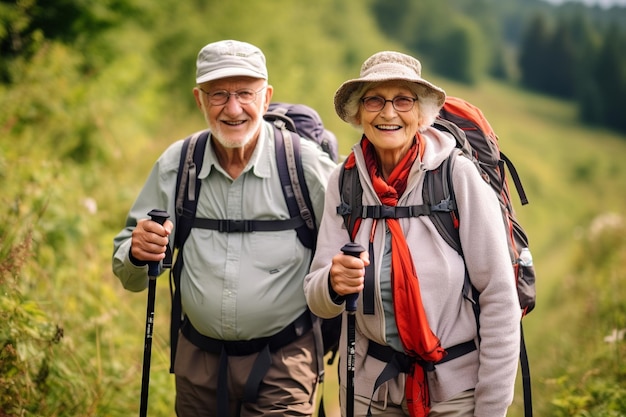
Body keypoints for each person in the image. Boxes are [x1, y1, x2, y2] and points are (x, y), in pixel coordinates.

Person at [112, 39, 336, 416]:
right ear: (200, 100)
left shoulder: (305, 166)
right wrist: (136, 252)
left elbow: (346, 247)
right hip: (198, 363)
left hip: (285, 361)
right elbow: (130, 274)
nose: (233, 109)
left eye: (245, 93)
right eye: (219, 95)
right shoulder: (178, 165)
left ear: (266, 98)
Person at [304, 51, 521, 417]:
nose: (388, 113)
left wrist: (492, 407)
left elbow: (499, 296)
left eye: (403, 100)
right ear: (358, 114)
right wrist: (333, 282)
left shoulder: (457, 176)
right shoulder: (344, 181)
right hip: (370, 393)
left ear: (422, 114)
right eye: (374, 100)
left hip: (456, 394)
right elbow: (316, 298)